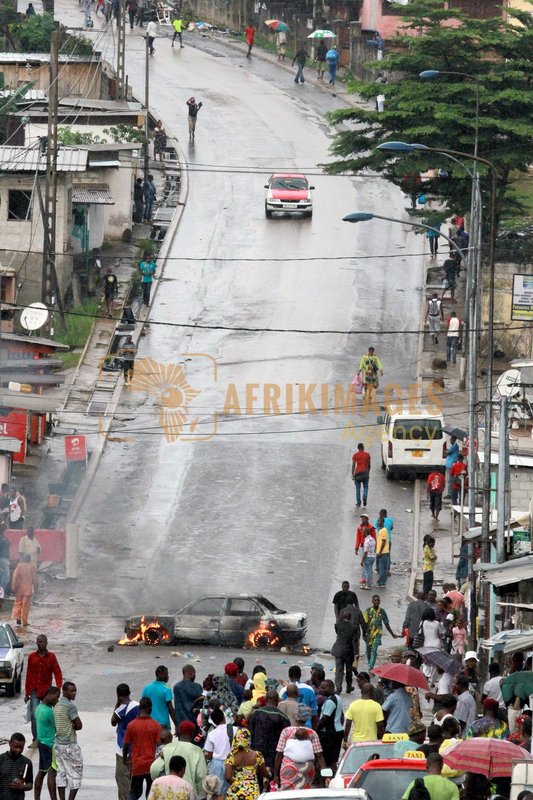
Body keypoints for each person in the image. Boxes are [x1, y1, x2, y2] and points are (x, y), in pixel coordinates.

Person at [149, 720, 207, 795]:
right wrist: (195, 791)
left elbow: (155, 769)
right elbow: (201, 775)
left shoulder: (168, 748)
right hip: (188, 792)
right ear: (193, 734)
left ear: (179, 733)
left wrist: (160, 781)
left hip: (169, 792)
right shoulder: (197, 751)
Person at [25, 634, 63, 746]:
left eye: (44, 642)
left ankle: (49, 737)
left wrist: (58, 688)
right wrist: (27, 692)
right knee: (35, 715)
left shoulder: (51, 657)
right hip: (34, 690)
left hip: (47, 692)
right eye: (40, 642)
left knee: (48, 715)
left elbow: (57, 672)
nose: (42, 644)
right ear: (37, 643)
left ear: (47, 643)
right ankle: (36, 739)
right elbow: (29, 674)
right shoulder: (32, 657)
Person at [274, 708, 325, 790]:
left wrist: (275, 774)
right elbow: (319, 755)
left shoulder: (286, 731)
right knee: (304, 793)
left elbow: (279, 754)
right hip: (306, 769)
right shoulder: (312, 733)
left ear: (295, 716)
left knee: (286, 793)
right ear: (307, 718)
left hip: (288, 768)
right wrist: (325, 773)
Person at [124, 697, 161, 800]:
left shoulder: (131, 725)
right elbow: (159, 746)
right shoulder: (156, 725)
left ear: (139, 708)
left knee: (134, 792)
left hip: (137, 764)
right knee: (151, 792)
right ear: (150, 709)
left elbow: (126, 745)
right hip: (151, 765)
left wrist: (124, 759)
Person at [54, 681, 83, 800]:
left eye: (75, 690)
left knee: (61, 774)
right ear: (64, 691)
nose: (74, 693)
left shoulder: (57, 706)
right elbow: (79, 725)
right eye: (71, 691)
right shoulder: (70, 707)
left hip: (58, 744)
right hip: (70, 745)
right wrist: (73, 724)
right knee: (76, 774)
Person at [248, 690, 289, 772]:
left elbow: (249, 732)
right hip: (274, 754)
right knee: (272, 778)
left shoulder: (256, 714)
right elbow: (286, 738)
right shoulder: (283, 717)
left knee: (258, 775)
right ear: (277, 700)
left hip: (257, 751)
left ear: (265, 699)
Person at [111, 683, 140, 800]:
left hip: (123, 748)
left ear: (118, 695)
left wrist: (117, 703)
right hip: (136, 748)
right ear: (129, 693)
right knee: (132, 780)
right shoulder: (137, 705)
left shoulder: (120, 709)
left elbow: (113, 722)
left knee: (122, 779)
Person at [225, 727, 268, 800]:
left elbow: (228, 777)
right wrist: (269, 774)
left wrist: (237, 783)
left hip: (236, 792)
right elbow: (264, 772)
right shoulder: (257, 755)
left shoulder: (231, 756)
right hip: (252, 792)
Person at [34, 686, 59, 800]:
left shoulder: (39, 708)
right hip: (50, 744)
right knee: (51, 772)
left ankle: (37, 797)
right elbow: (58, 727)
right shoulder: (49, 712)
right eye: (56, 697)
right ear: (48, 694)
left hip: (41, 743)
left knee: (42, 771)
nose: (57, 700)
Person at [363, 595, 398, 669]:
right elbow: (364, 624)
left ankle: (371, 667)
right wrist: (364, 634)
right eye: (375, 600)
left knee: (374, 650)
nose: (377, 602)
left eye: (378, 600)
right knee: (368, 651)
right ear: (372, 601)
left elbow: (386, 623)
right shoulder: (368, 611)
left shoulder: (382, 611)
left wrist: (392, 634)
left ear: (380, 601)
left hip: (377, 634)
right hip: (369, 634)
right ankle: (370, 662)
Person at [316, 680, 344, 770]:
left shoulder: (330, 701)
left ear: (331, 688)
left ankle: (324, 779)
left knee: (326, 758)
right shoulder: (337, 697)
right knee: (333, 759)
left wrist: (316, 730)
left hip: (330, 733)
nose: (321, 689)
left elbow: (324, 718)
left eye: (323, 688)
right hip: (338, 731)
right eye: (320, 687)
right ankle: (333, 776)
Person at [204, 707, 231, 793]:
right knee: (230, 789)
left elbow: (209, 754)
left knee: (216, 790)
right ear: (224, 717)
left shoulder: (211, 734)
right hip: (231, 762)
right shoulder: (235, 730)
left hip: (216, 764)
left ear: (213, 722)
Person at [142, 667, 176, 732]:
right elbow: (170, 708)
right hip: (163, 724)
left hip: (149, 723)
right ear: (161, 674)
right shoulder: (166, 689)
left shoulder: (147, 688)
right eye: (166, 674)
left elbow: (142, 706)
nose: (167, 677)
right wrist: (176, 725)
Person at [0, 733, 33, 799]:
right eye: (15, 747)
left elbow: (30, 784)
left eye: (21, 748)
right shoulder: (1, 760)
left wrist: (22, 786)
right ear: (10, 744)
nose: (18, 750)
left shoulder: (27, 763)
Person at [331, 608, 355, 694]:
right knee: (349, 670)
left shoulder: (337, 625)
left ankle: (338, 687)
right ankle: (348, 687)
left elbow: (338, 633)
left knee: (339, 670)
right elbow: (353, 639)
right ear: (350, 617)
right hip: (348, 651)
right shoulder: (352, 627)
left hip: (338, 650)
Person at [11, 554, 37, 627]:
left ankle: (17, 618)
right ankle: (24, 622)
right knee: (25, 606)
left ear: (23, 559)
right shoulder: (31, 567)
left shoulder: (19, 566)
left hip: (19, 589)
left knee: (18, 604)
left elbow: (15, 577)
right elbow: (35, 580)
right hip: (27, 590)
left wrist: (13, 587)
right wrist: (36, 588)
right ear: (29, 559)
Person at [351, 442, 371, 508]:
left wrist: (352, 474)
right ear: (363, 448)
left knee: (358, 488)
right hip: (365, 473)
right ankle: (364, 496)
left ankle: (358, 503)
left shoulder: (355, 455)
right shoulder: (367, 455)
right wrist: (368, 473)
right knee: (365, 487)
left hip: (357, 474)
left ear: (358, 448)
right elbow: (369, 465)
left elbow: (353, 465)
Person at [376, 515, 390, 588]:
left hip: (383, 553)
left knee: (382, 568)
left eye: (379, 521)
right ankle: (383, 583)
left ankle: (379, 583)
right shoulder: (381, 530)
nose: (378, 522)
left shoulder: (383, 530)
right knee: (383, 568)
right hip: (383, 552)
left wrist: (380, 552)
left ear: (382, 522)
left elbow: (383, 542)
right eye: (378, 521)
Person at [360, 526, 376, 590]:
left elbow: (365, 553)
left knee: (367, 572)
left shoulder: (366, 541)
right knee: (370, 571)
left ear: (366, 532)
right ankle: (370, 583)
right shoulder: (373, 539)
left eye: (363, 532)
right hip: (373, 557)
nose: (362, 533)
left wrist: (362, 561)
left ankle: (368, 585)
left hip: (368, 558)